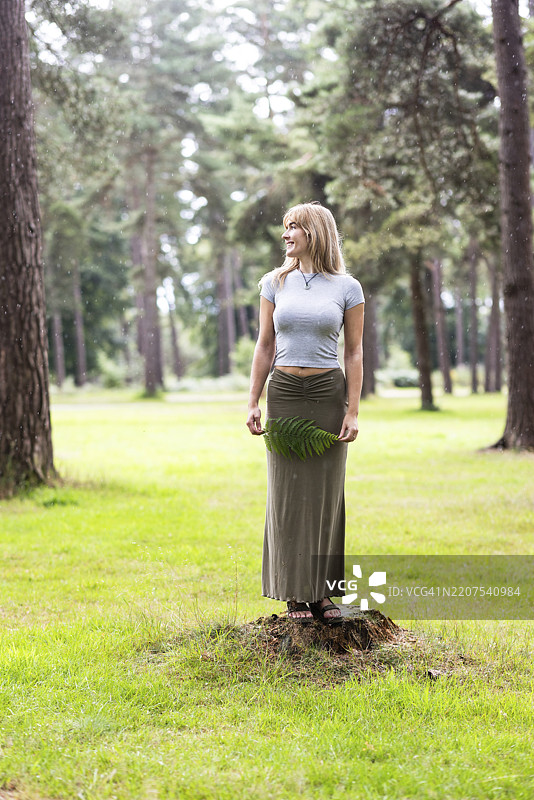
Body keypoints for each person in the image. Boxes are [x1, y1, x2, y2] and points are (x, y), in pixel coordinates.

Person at [246, 201, 364, 624]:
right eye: (286, 227)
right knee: (286, 494)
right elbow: (265, 344)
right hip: (284, 393)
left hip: (328, 395)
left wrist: (352, 410)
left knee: (326, 495)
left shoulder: (347, 287)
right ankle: (294, 593)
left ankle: (324, 593)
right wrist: (253, 399)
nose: (286, 234)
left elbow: (354, 352)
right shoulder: (274, 282)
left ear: (314, 232)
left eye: (293, 226)